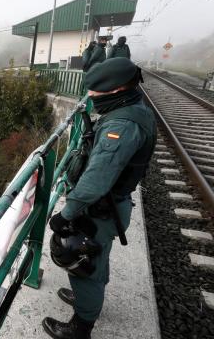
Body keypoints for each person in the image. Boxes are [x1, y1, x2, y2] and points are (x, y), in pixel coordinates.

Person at [43, 58, 156, 339]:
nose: (90, 96)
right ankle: (87, 302)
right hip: (109, 206)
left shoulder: (123, 125)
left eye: (96, 91)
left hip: (101, 210)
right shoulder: (133, 108)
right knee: (95, 259)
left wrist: (66, 214)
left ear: (117, 88)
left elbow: (96, 179)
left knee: (83, 264)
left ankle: (80, 327)